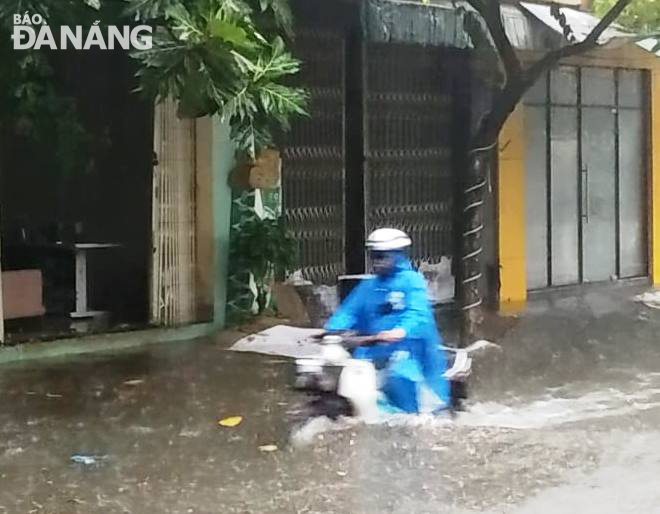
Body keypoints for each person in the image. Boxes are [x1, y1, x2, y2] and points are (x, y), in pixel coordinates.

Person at [324, 228, 451, 414]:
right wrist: (332, 331)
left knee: (400, 375)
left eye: (382, 256)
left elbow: (418, 314)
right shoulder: (368, 286)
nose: (377, 261)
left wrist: (400, 332)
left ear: (397, 255)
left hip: (411, 353)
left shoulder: (412, 282)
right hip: (372, 355)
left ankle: (411, 417)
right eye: (374, 256)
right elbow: (348, 312)